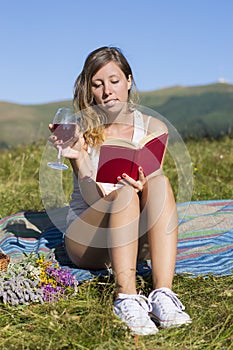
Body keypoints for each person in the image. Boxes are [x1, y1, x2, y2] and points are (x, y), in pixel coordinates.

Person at [50, 46, 191, 336]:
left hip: (134, 237)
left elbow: (154, 191)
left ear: (128, 80)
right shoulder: (80, 129)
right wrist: (78, 157)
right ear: (90, 90)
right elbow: (92, 196)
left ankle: (162, 294)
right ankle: (125, 297)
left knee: (160, 182)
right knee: (123, 194)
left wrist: (143, 188)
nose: (107, 91)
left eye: (114, 81)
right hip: (88, 237)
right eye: (97, 84)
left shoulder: (154, 127)